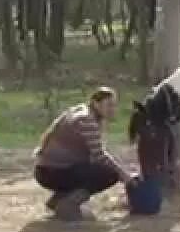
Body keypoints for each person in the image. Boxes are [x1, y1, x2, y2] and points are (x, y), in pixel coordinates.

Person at [33, 87, 134, 221]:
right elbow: (99, 156)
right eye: (108, 105)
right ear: (96, 104)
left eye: (114, 105)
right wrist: (124, 175)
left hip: (46, 170)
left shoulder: (79, 110)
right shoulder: (88, 121)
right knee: (109, 174)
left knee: (92, 169)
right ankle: (68, 205)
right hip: (52, 172)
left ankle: (57, 201)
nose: (112, 109)